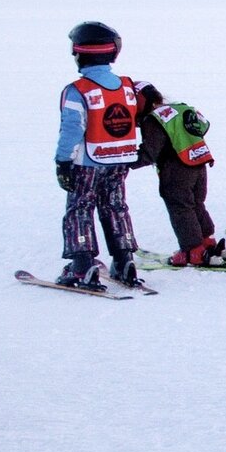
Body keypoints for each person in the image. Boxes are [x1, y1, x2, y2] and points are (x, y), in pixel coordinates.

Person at [55, 21, 144, 290]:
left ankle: (82, 265)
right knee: (115, 207)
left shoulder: (78, 90)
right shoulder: (127, 86)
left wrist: (62, 162)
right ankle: (124, 259)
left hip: (87, 164)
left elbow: (72, 129)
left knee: (79, 209)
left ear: (80, 53)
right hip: (120, 160)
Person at [131, 81, 226, 267]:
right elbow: (204, 125)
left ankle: (192, 250)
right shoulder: (183, 108)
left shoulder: (154, 119)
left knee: (180, 207)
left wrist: (125, 161)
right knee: (196, 204)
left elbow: (149, 152)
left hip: (176, 169)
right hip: (199, 162)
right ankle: (207, 241)